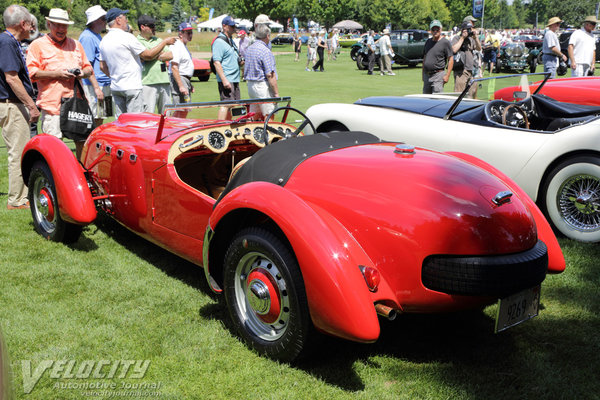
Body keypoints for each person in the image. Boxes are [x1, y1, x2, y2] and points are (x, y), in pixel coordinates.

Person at [26, 8, 93, 159]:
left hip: (77, 104)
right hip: (53, 106)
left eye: (64, 26)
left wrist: (82, 73)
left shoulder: (76, 44)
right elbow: (32, 73)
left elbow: (88, 68)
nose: (61, 29)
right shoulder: (37, 45)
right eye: (57, 25)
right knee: (55, 148)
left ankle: (83, 177)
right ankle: (56, 181)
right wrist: (57, 74)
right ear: (49, 24)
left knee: (83, 143)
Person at [99, 8, 176, 117]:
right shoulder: (127, 37)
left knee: (121, 122)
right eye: (125, 18)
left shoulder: (104, 41)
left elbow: (102, 66)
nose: (127, 21)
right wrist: (164, 42)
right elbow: (148, 55)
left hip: (116, 87)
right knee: (136, 122)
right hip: (132, 87)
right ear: (118, 20)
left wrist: (115, 76)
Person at [1, 4, 39, 210]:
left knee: (16, 151)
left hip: (8, 103)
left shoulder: (8, 41)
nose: (32, 27)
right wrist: (31, 106)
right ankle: (17, 200)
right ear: (23, 24)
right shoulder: (7, 42)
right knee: (18, 152)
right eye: (31, 23)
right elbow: (12, 78)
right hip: (11, 105)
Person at [79, 5, 110, 127]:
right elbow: (87, 65)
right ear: (96, 20)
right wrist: (96, 88)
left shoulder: (96, 35)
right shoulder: (87, 37)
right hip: (93, 86)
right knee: (93, 119)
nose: (105, 22)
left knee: (100, 116)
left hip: (102, 83)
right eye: (103, 18)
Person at [136, 15, 173, 112]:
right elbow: (146, 56)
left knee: (166, 114)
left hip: (164, 81)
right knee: (149, 115)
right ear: (142, 27)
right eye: (151, 26)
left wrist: (153, 54)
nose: (154, 28)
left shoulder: (159, 40)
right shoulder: (137, 41)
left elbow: (170, 55)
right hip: (148, 83)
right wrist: (157, 53)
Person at [244, 22, 279, 118]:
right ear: (267, 36)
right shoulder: (265, 51)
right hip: (262, 86)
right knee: (269, 115)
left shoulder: (249, 48)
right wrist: (276, 93)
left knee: (255, 115)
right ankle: (268, 132)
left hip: (251, 85)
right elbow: (270, 75)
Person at [212, 15, 241, 119]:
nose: (234, 28)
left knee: (234, 106)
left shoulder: (231, 41)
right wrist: (224, 80)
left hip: (234, 78)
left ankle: (229, 126)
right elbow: (216, 62)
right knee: (226, 104)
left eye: (234, 26)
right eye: (231, 26)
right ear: (224, 26)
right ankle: (220, 126)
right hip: (227, 79)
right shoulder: (219, 42)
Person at [422, 20, 453, 94]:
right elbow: (425, 58)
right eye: (433, 29)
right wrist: (423, 74)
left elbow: (451, 59)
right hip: (427, 75)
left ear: (441, 30)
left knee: (437, 99)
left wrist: (447, 75)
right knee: (425, 100)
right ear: (431, 31)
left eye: (437, 29)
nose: (435, 31)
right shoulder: (428, 42)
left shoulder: (445, 42)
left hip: (438, 75)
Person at [451, 20, 482, 97]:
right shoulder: (457, 38)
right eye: (468, 29)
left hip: (470, 70)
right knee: (459, 95)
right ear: (462, 30)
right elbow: (454, 49)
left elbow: (479, 48)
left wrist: (475, 38)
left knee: (470, 96)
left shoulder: (471, 39)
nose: (469, 31)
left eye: (470, 29)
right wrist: (462, 38)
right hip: (461, 71)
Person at [170, 22, 195, 104]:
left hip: (184, 79)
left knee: (186, 108)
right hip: (180, 78)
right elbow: (174, 67)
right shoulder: (177, 46)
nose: (190, 35)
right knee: (180, 109)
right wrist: (181, 86)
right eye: (188, 33)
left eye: (191, 33)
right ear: (181, 34)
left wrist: (189, 84)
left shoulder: (183, 45)